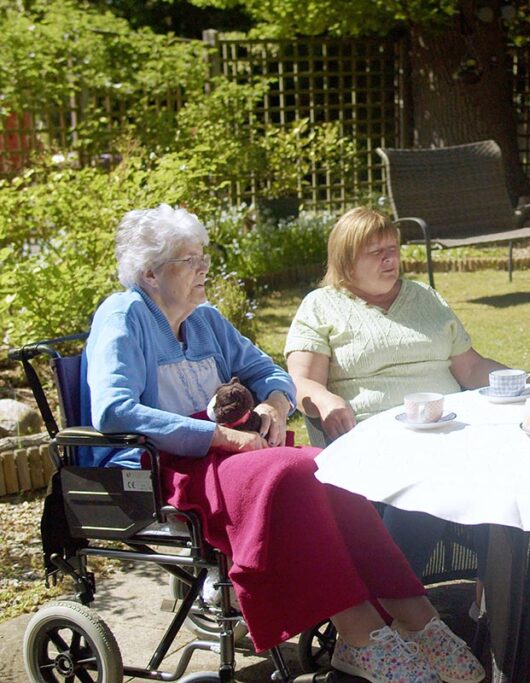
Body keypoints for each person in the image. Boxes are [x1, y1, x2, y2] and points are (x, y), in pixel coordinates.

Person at [81, 204, 484, 683]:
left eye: (202, 255)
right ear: (150, 272)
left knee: (327, 468)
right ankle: (359, 634)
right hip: (167, 463)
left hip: (231, 454)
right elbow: (113, 409)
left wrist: (274, 402)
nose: (204, 266)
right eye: (190, 259)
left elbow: (272, 372)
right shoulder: (123, 314)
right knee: (291, 472)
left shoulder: (204, 319)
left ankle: (416, 616)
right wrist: (219, 434)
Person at [285, 207, 505, 579]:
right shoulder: (321, 306)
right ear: (346, 259)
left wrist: (522, 380)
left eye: (393, 248)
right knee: (429, 485)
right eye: (376, 252)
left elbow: (469, 367)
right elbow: (302, 383)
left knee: (506, 479)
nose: (390, 259)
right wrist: (324, 399)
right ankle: (395, 607)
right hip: (377, 439)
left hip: (454, 431)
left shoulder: (425, 298)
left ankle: (495, 602)